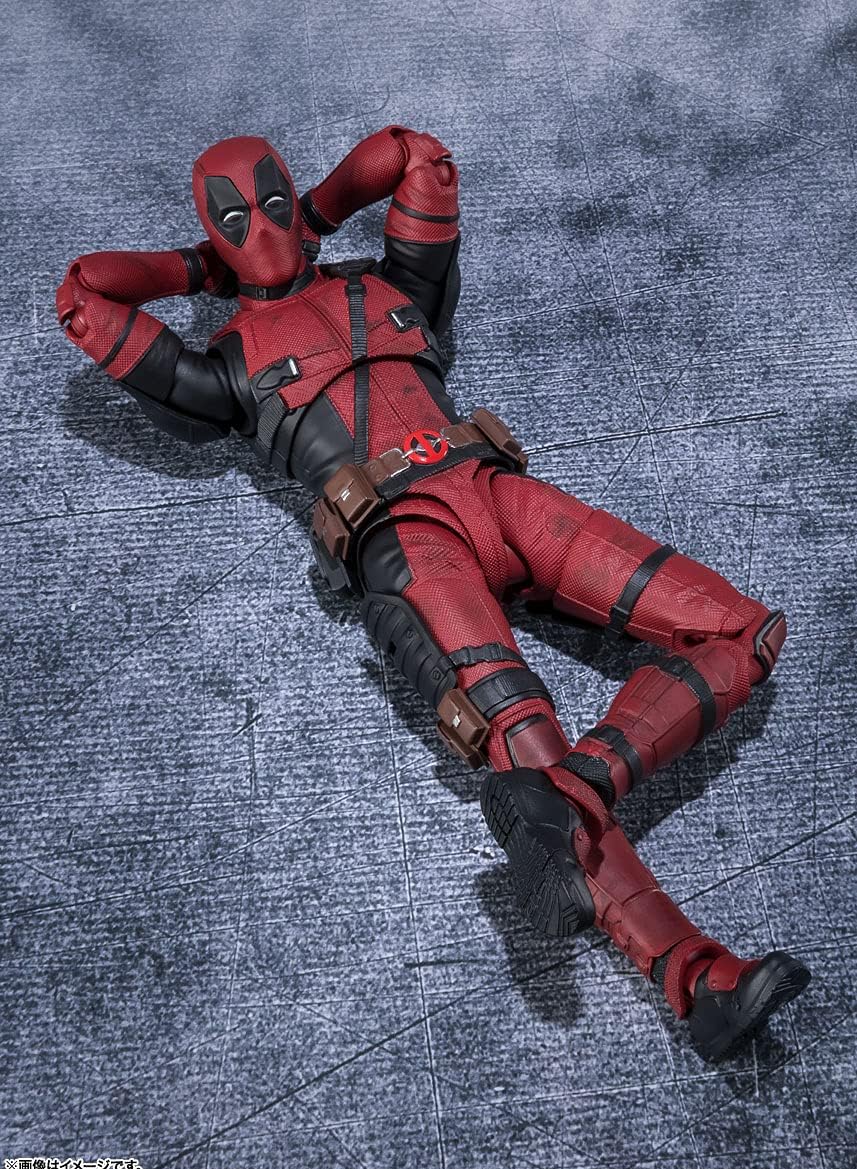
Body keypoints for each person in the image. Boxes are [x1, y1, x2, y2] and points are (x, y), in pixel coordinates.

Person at [56, 126, 810, 1061]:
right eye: (235, 218)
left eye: (274, 202)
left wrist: (318, 214)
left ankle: (570, 793)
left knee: (741, 631)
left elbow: (415, 157)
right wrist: (199, 268)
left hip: (502, 493)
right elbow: (85, 293)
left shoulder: (391, 288)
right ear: (213, 229)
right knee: (522, 739)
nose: (264, 229)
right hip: (407, 542)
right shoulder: (227, 367)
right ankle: (696, 979)